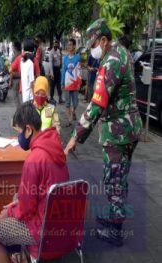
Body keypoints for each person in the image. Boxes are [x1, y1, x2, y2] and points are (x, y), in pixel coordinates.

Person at [64, 19, 142, 246]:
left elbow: (97, 103)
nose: (92, 48)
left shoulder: (111, 63)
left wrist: (75, 137)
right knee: (121, 176)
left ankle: (115, 231)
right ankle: (113, 215)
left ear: (104, 40)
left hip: (118, 132)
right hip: (130, 128)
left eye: (94, 43)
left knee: (114, 179)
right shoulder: (122, 52)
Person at [0, 102, 69, 263]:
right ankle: (21, 256)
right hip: (59, 222)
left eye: (18, 132)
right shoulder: (55, 148)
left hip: (41, 229)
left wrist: (8, 212)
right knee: (17, 197)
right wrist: (18, 201)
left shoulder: (35, 158)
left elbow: (26, 209)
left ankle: (23, 255)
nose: (19, 138)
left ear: (29, 129)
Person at [10, 39, 40, 104]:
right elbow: (38, 77)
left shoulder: (20, 58)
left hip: (23, 89)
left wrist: (20, 73)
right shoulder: (35, 60)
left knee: (24, 110)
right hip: (33, 91)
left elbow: (10, 69)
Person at [61, 38, 81, 126]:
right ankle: (69, 120)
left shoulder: (77, 57)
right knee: (67, 103)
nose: (69, 46)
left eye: (70, 45)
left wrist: (79, 83)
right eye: (68, 45)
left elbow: (79, 71)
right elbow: (63, 71)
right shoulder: (65, 58)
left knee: (76, 103)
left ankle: (73, 111)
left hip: (75, 83)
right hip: (67, 84)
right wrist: (62, 82)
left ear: (74, 46)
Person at [20, 37, 38, 103]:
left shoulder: (22, 61)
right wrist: (35, 99)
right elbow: (32, 83)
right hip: (30, 97)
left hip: (24, 96)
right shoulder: (30, 63)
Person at [49, 40, 63, 104]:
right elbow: (51, 63)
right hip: (53, 70)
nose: (56, 46)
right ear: (53, 45)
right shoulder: (51, 52)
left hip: (58, 70)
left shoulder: (58, 51)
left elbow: (60, 58)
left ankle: (60, 98)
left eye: (57, 45)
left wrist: (61, 64)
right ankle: (51, 98)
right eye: (55, 45)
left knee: (59, 84)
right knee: (52, 85)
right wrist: (52, 74)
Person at [9, 41, 22, 108]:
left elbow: (11, 70)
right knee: (21, 97)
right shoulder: (23, 55)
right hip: (22, 79)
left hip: (16, 80)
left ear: (15, 48)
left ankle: (19, 112)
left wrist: (10, 81)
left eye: (12, 47)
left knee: (16, 97)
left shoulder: (14, 57)